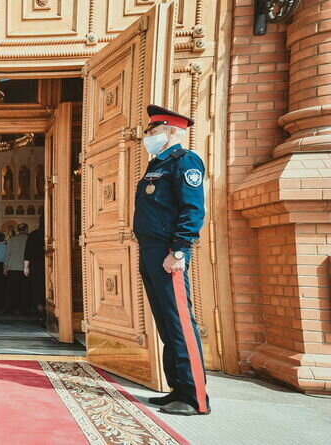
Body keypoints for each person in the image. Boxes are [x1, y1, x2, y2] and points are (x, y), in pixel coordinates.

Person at [133, 104, 209, 416]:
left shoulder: (185, 161)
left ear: (172, 131)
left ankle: (195, 398)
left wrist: (179, 251)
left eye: (153, 131)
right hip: (150, 250)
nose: (148, 136)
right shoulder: (157, 164)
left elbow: (192, 209)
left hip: (168, 252)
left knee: (180, 323)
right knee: (166, 324)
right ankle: (177, 387)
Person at [24, 212, 46, 326]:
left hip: (36, 267)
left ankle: (42, 315)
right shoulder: (53, 234)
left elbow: (27, 253)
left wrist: (25, 268)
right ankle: (51, 315)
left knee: (38, 291)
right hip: (50, 266)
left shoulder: (33, 235)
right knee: (50, 290)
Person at [4, 223, 30, 315]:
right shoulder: (29, 239)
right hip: (25, 269)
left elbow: (7, 254)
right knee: (24, 290)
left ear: (18, 230)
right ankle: (24, 310)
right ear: (26, 229)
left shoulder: (11, 239)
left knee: (11, 290)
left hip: (12, 267)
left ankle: (9, 309)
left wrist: (5, 267)